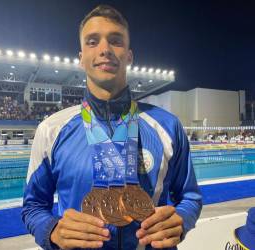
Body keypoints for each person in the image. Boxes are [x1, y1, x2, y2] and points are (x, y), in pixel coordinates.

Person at [22, 5, 202, 250]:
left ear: (129, 56)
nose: (105, 50)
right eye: (93, 42)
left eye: (115, 41)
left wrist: (182, 221)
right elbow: (33, 207)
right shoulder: (52, 130)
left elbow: (190, 196)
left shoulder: (167, 126)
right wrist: (51, 230)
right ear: (81, 57)